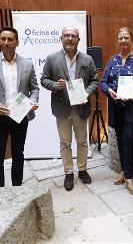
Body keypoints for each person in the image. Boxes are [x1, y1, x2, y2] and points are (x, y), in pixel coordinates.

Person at [0, 26, 40, 187]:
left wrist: (33, 100)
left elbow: (34, 88)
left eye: (10, 39)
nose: (6, 42)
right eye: (3, 39)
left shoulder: (27, 64)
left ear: (17, 42)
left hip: (20, 116)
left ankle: (17, 188)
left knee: (18, 154)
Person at [41, 26, 98, 191]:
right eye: (67, 35)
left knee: (82, 141)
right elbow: (44, 79)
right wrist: (55, 85)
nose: (70, 38)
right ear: (61, 38)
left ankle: (82, 170)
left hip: (81, 107)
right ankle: (68, 173)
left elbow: (94, 80)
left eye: (74, 36)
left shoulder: (87, 60)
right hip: (62, 107)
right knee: (65, 143)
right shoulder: (52, 58)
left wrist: (86, 94)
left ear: (79, 40)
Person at [100, 27, 133, 195]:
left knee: (128, 139)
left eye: (126, 38)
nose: (123, 41)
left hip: (132, 107)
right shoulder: (112, 60)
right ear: (117, 41)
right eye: (120, 38)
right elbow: (103, 82)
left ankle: (129, 177)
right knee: (120, 139)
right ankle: (123, 170)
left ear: (131, 40)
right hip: (116, 107)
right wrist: (109, 91)